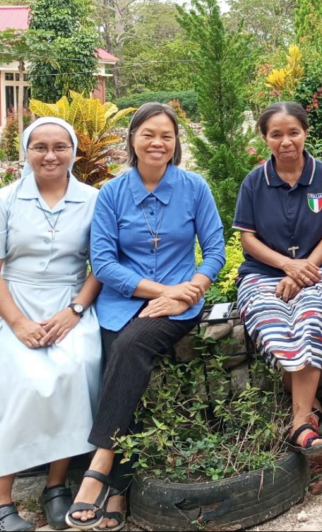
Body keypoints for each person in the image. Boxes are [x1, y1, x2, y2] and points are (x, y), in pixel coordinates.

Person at [68, 103, 226, 530]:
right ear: (132, 139)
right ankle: (118, 493)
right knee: (121, 361)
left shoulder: (194, 188)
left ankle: (99, 469)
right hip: (123, 302)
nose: (158, 143)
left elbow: (215, 251)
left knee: (131, 345)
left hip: (180, 306)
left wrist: (187, 293)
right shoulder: (112, 194)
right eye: (148, 134)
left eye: (167, 136)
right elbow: (102, 263)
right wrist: (164, 291)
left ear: (176, 144)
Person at [0, 117, 103, 532]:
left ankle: (56, 486)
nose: (50, 155)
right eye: (40, 146)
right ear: (26, 151)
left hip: (69, 305)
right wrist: (19, 324)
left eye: (60, 146)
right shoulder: (4, 200)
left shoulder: (94, 199)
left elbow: (101, 264)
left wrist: (75, 310)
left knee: (77, 367)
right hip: (17, 305)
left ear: (74, 151)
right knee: (25, 381)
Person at [233, 102, 322, 454]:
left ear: (305, 133)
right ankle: (308, 412)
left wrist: (303, 272)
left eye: (293, 132)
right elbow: (247, 239)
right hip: (262, 275)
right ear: (265, 138)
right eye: (277, 134)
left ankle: (300, 422)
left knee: (313, 316)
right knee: (273, 323)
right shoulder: (255, 182)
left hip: (318, 270)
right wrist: (288, 267)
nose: (286, 141)